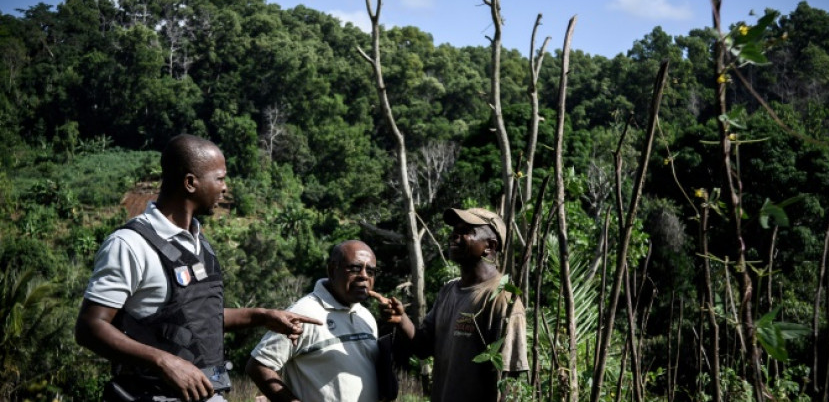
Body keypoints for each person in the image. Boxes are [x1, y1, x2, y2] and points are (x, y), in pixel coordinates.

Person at [75, 134, 320, 402]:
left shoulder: (199, 242)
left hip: (209, 394)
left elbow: (196, 317)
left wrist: (263, 316)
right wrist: (162, 361)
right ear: (191, 183)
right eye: (219, 178)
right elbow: (90, 327)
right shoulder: (130, 244)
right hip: (152, 395)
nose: (225, 188)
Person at [377, 207, 529, 402]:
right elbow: (423, 347)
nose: (454, 235)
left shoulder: (504, 301)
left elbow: (510, 383)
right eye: (454, 230)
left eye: (466, 231)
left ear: (490, 246)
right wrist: (401, 319)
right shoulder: (448, 291)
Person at [245, 240, 382, 402]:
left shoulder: (365, 316)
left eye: (371, 271)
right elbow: (258, 365)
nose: (364, 276)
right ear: (332, 270)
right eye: (354, 268)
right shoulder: (304, 313)